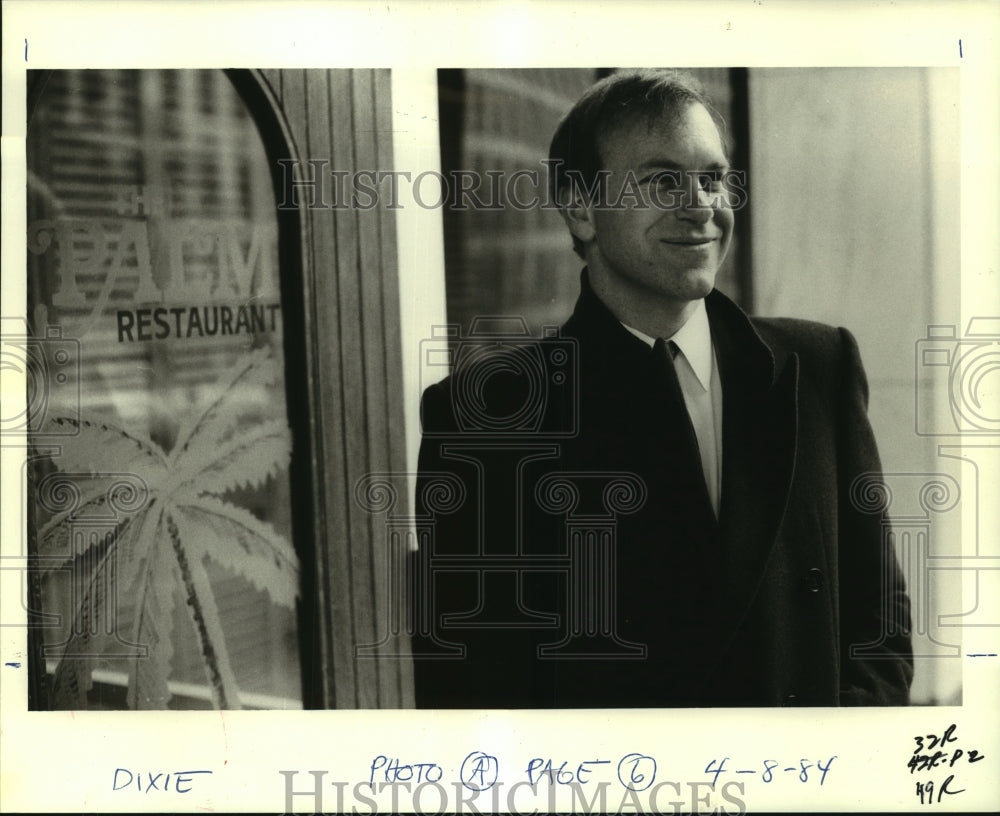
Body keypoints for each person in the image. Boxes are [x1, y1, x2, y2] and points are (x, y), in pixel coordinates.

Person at [411, 69, 913, 708]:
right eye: (661, 179)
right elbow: (473, 687)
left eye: (712, 177)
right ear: (581, 208)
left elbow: (880, 630)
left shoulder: (820, 366)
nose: (701, 204)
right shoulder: (486, 417)